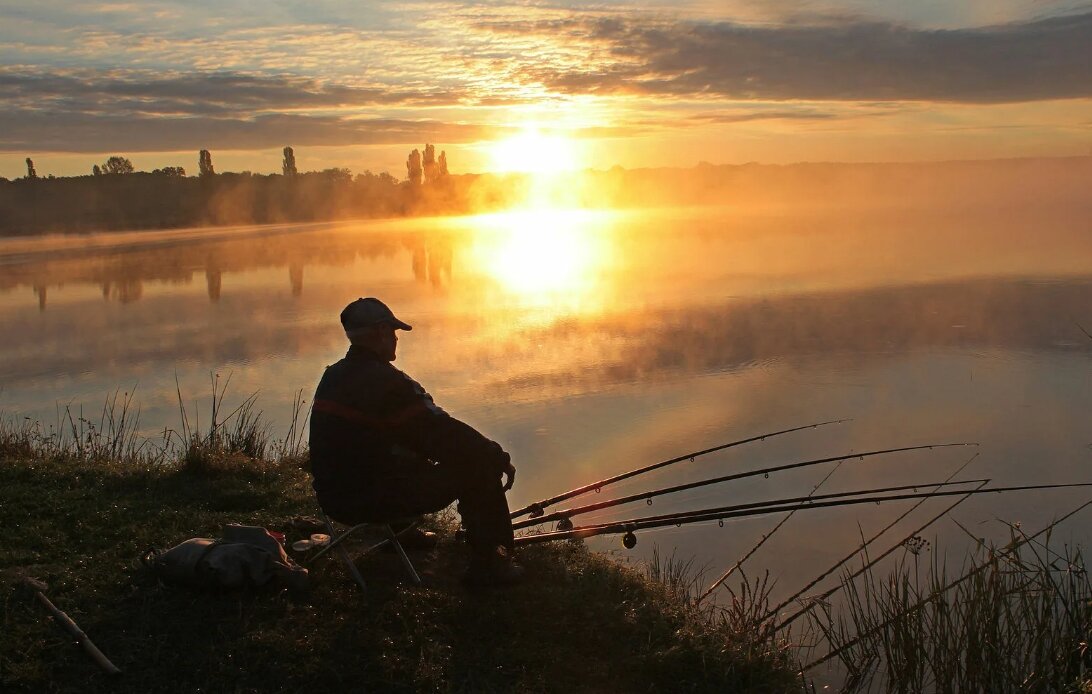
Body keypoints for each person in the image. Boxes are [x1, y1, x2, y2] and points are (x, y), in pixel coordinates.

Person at [308, 297, 524, 586]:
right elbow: (442, 433)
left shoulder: (333, 375)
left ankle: (404, 534)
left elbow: (417, 434)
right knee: (478, 466)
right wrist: (496, 455)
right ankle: (491, 565)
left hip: (333, 497)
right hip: (368, 500)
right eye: (394, 332)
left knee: (399, 446)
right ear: (383, 331)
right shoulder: (389, 384)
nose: (396, 339)